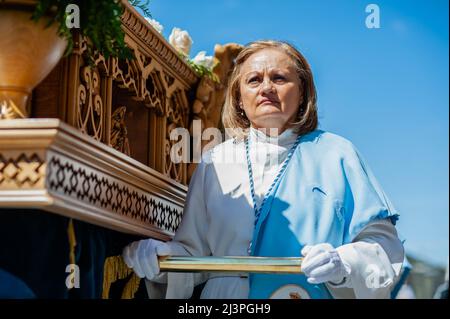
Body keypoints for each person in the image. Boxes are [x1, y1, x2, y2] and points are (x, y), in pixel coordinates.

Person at [122, 40, 405, 299]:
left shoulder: (338, 154)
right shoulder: (215, 162)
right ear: (239, 99)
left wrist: (344, 263)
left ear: (303, 92)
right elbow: (195, 256)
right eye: (254, 80)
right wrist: (160, 259)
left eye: (279, 78)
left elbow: (383, 246)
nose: (266, 88)